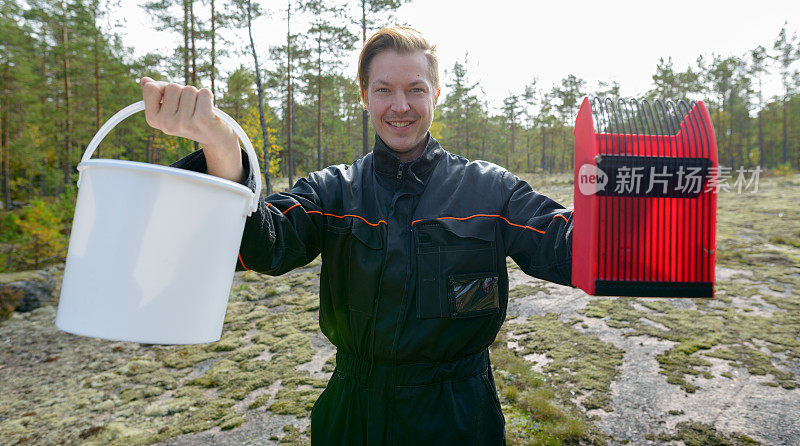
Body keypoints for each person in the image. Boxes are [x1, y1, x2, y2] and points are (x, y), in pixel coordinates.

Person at [141, 26, 573, 445]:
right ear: (365, 97)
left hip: (459, 415)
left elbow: (564, 244)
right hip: (354, 413)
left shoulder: (491, 190)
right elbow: (263, 243)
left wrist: (624, 203)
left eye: (416, 89)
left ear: (436, 96)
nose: (400, 105)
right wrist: (221, 147)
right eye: (384, 90)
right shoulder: (333, 191)